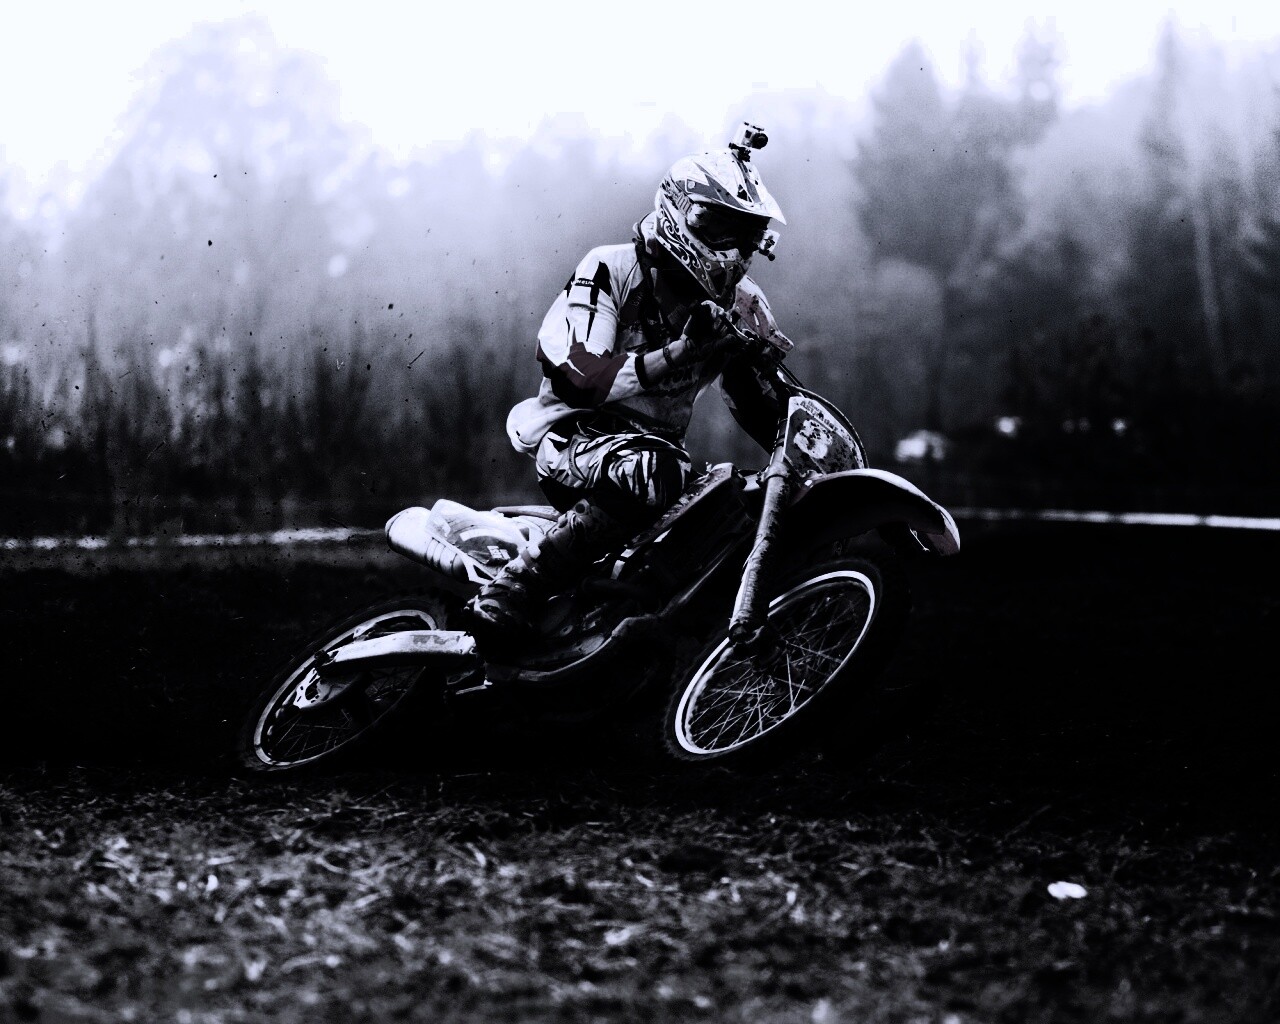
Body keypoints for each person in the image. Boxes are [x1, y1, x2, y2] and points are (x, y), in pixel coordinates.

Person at [467, 123, 793, 643]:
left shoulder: (740, 303)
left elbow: (760, 406)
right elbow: (578, 375)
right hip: (574, 438)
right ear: (680, 212)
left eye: (746, 236)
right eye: (721, 229)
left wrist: (798, 447)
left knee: (735, 497)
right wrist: (679, 352)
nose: (734, 250)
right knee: (653, 470)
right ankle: (514, 587)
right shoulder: (610, 268)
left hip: (661, 457)